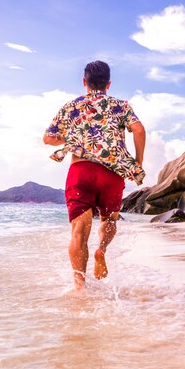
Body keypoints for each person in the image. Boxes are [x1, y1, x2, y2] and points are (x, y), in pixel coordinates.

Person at [43, 60, 146, 290]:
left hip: (82, 171)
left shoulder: (71, 107)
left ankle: (80, 287)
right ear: (108, 84)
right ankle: (102, 249)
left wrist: (72, 139)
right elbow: (138, 129)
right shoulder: (121, 105)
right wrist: (137, 162)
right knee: (109, 220)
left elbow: (48, 138)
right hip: (112, 174)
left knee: (79, 230)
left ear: (84, 82)